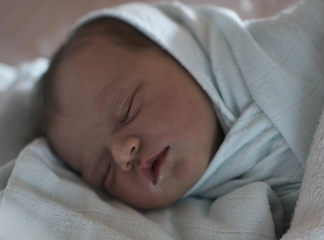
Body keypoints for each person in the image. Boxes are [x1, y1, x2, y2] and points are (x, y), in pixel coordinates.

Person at [33, 0, 324, 232]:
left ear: (180, 51)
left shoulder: (295, 43)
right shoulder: (226, 213)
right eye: (104, 171)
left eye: (127, 109)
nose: (122, 154)